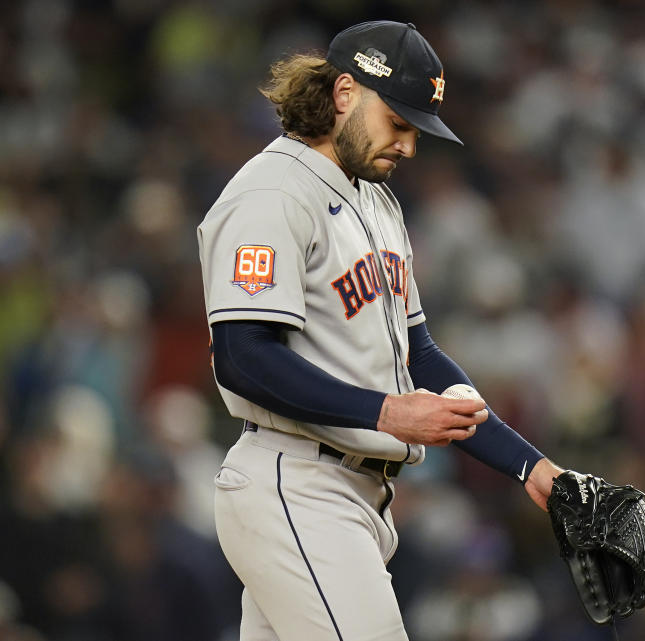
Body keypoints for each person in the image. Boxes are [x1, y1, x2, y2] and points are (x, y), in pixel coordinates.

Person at [197, 20, 564, 641]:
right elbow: (242, 356)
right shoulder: (272, 194)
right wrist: (387, 413)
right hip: (297, 484)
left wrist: (532, 470)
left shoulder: (376, 200)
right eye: (398, 123)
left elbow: (419, 356)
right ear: (345, 92)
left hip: (352, 495)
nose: (410, 146)